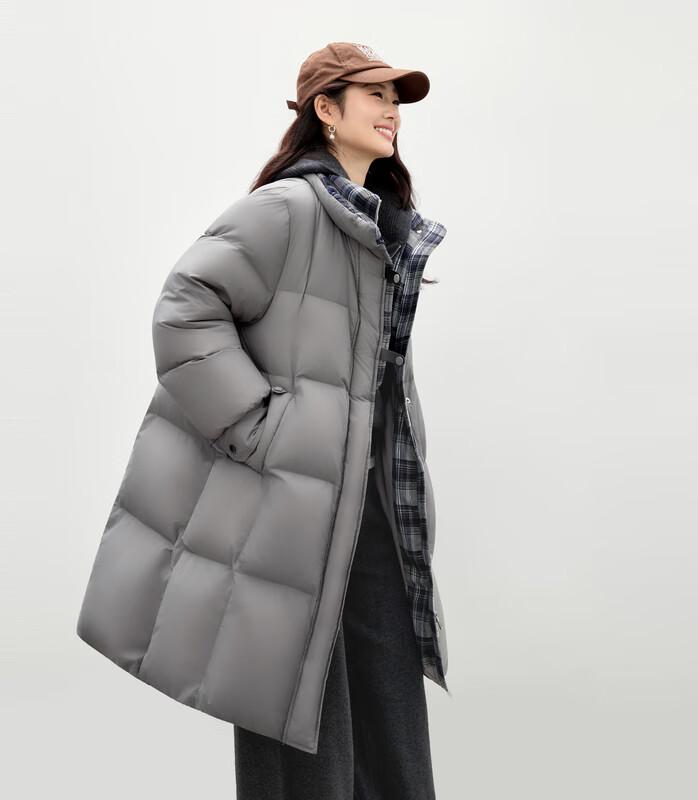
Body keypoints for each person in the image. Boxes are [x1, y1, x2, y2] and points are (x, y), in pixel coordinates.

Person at [76, 41, 448, 800]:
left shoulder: (376, 224)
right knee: (299, 714)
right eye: (374, 96)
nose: (391, 112)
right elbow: (184, 310)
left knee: (387, 705)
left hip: (366, 501)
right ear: (325, 109)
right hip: (295, 502)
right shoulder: (287, 208)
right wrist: (260, 429)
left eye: (396, 100)